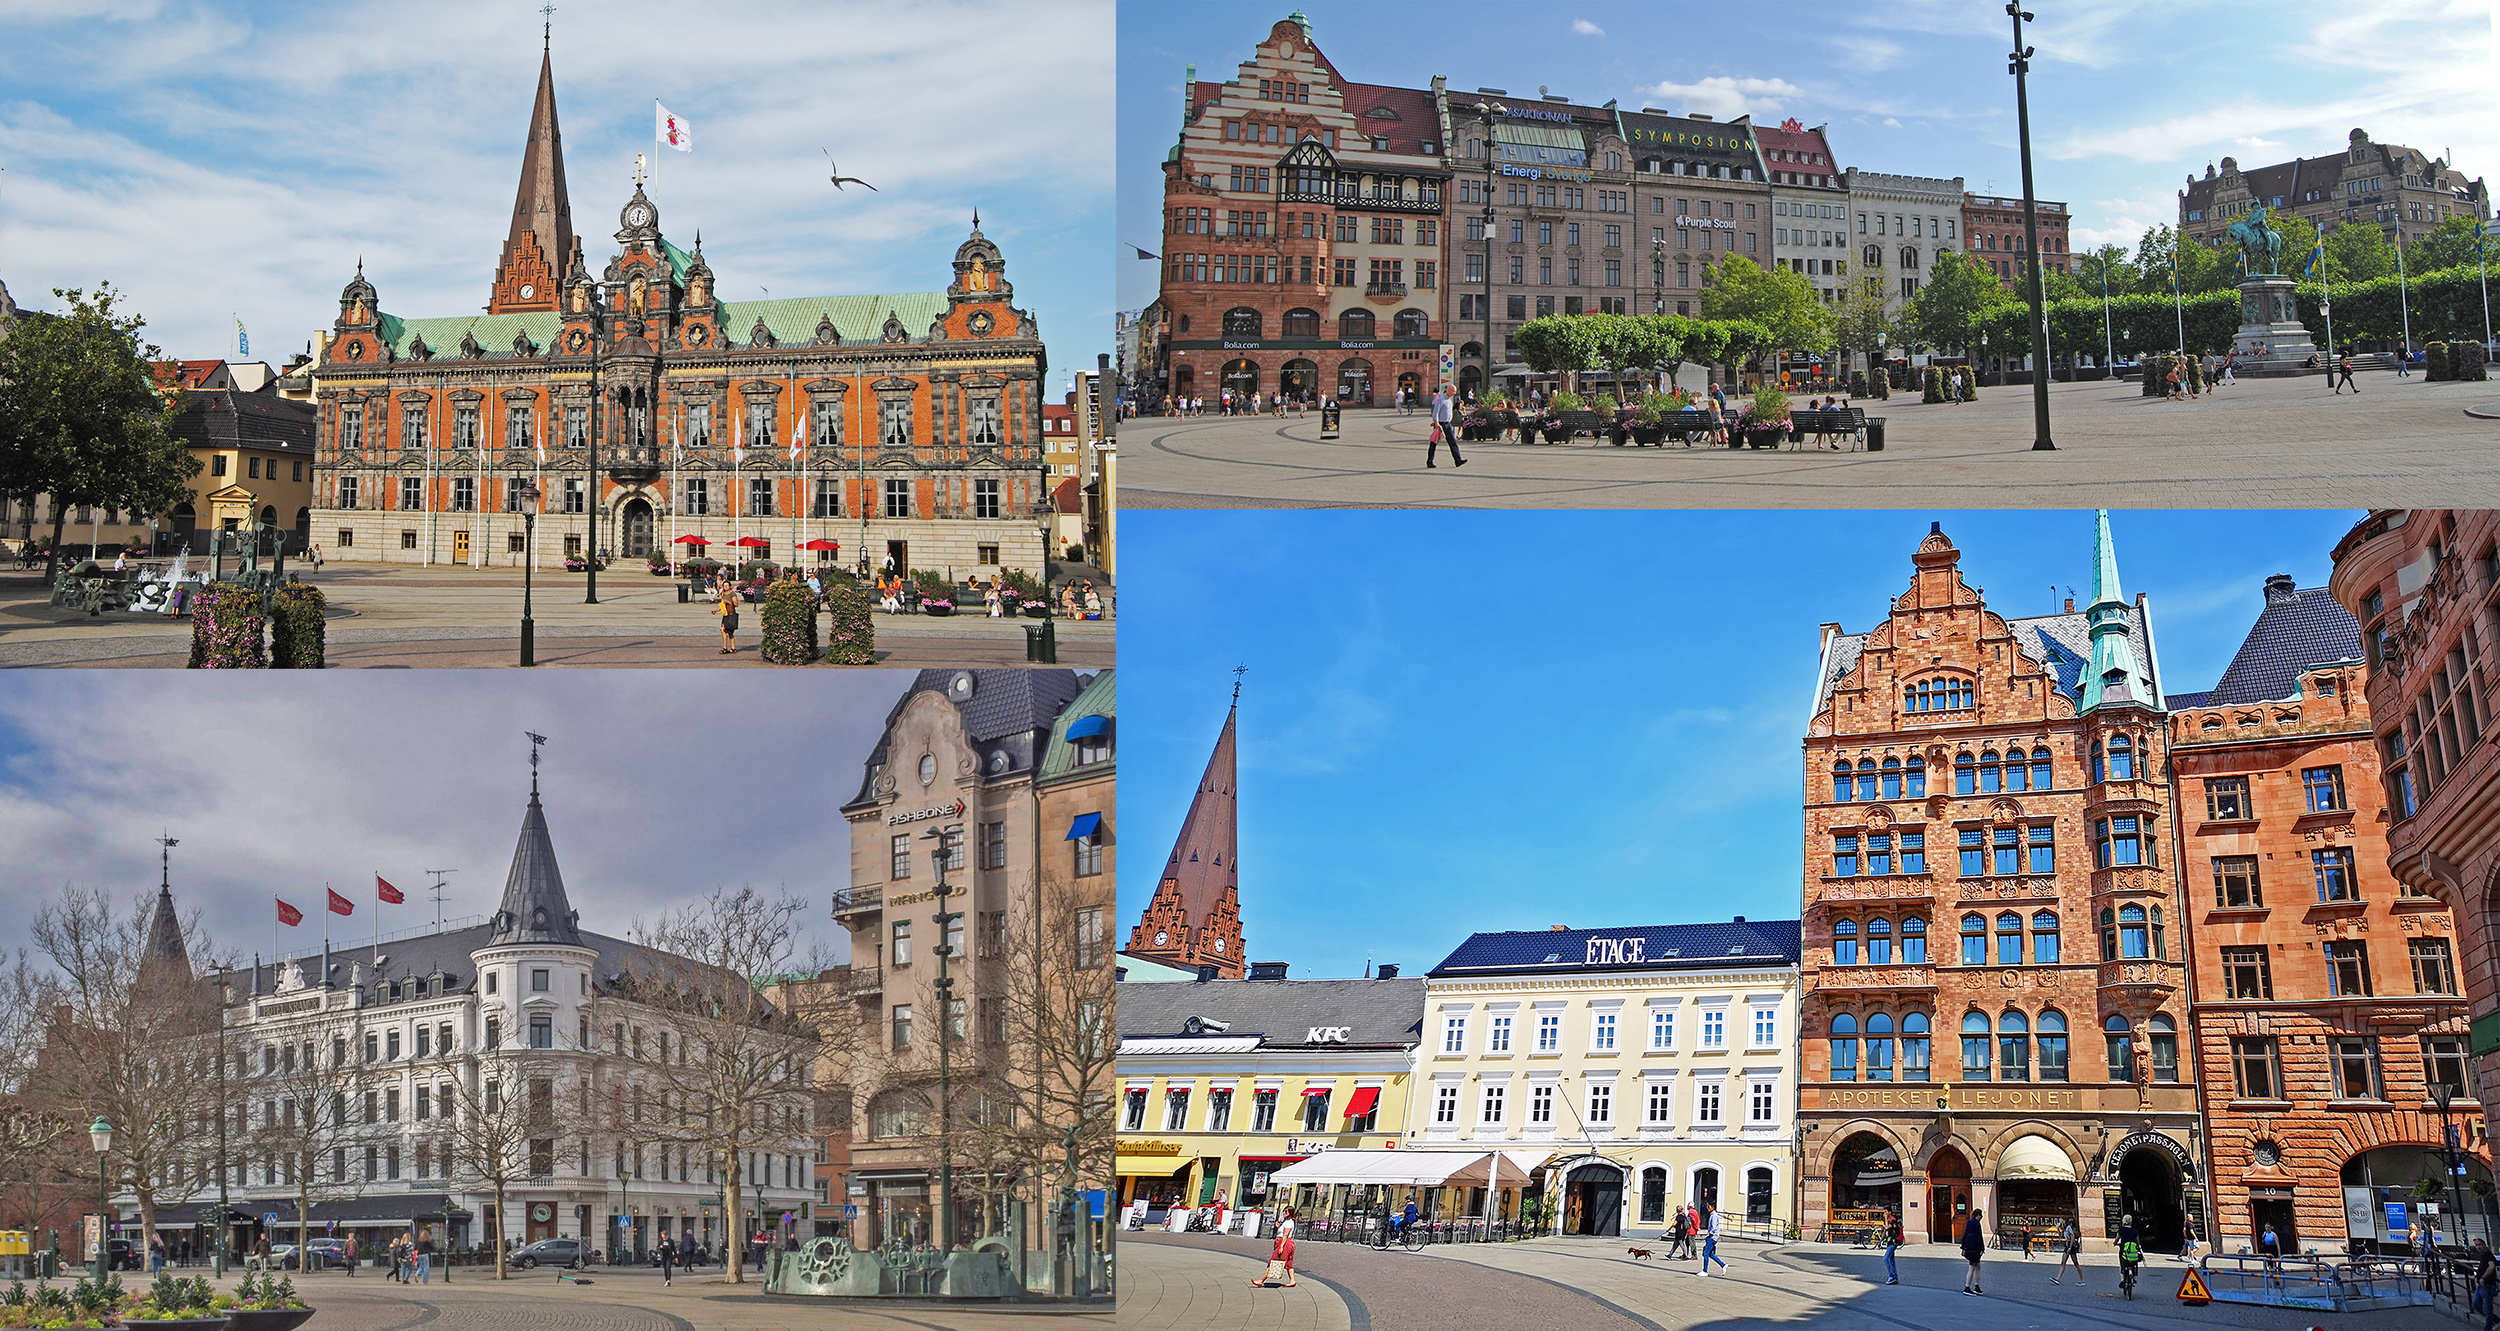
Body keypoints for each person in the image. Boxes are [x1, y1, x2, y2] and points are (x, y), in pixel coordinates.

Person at [1253, 1205, 1298, 1288]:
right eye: (1284, 1211)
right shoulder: (1287, 1221)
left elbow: (1285, 1235)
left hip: (1285, 1243)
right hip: (1286, 1242)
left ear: (1290, 1213)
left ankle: (1261, 1280)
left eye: (1286, 1211)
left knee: (1274, 1261)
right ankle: (1292, 1281)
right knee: (1288, 1263)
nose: (1284, 1213)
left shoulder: (1288, 1222)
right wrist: (1278, 1227)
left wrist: (1281, 1246)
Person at [1428, 386, 1467, 468]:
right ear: (1448, 390)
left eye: (1455, 391)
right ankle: (1429, 461)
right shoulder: (1441, 399)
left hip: (1447, 423)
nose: (1454, 393)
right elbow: (1435, 413)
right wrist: (1436, 423)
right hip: (1440, 424)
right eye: (1453, 391)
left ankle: (1458, 460)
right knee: (1434, 443)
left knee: (1452, 442)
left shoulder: (1449, 400)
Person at [1960, 1208, 1986, 1295]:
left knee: (1977, 1265)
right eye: (1980, 1215)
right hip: (1974, 1248)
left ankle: (1977, 1286)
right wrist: (1982, 1248)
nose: (1981, 1217)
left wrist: (1963, 1247)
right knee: (1972, 1267)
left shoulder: (1969, 1222)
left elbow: (1966, 1235)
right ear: (1977, 1215)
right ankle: (1967, 1287)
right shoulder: (1976, 1223)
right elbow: (1978, 1236)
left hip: (1969, 1248)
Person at [1699, 1202, 1728, 1276]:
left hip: (1712, 1237)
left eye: (1709, 1207)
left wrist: (1710, 1234)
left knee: (1705, 1253)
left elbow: (1714, 1227)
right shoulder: (1713, 1215)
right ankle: (1723, 1265)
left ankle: (1705, 1271)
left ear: (1713, 1208)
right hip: (1713, 1237)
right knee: (1710, 1254)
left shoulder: (1714, 1216)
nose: (1708, 1208)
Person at [2117, 1214, 2142, 1292]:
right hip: (2132, 1252)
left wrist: (2115, 1243)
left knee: (2122, 1264)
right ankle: (2134, 1277)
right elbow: (2137, 1241)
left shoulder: (2121, 1230)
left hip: (2124, 1251)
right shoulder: (2134, 1231)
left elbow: (2116, 1239)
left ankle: (2122, 1279)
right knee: (2134, 1262)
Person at [2054, 1217, 2083, 1284]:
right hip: (2067, 1246)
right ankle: (2058, 1279)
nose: (2062, 1222)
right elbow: (2061, 1236)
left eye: (2063, 1220)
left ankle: (2082, 1280)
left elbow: (2072, 1237)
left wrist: (2070, 1248)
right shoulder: (2065, 1229)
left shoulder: (2069, 1228)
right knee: (2063, 1262)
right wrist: (2058, 1228)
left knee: (2076, 1263)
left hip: (2071, 1246)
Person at [716, 577, 741, 653]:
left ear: (730, 586)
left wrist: (729, 602)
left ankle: (733, 648)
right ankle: (725, 647)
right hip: (725, 614)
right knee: (723, 630)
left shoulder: (732, 594)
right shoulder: (723, 594)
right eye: (724, 586)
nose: (726, 587)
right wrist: (715, 610)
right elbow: (722, 605)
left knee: (730, 632)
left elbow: (736, 604)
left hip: (731, 614)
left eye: (727, 585)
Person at [1883, 1210, 1903, 1286]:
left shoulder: (1893, 1221)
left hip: (1893, 1242)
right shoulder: (1889, 1221)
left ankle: (1892, 1276)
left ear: (1890, 1212)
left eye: (1886, 1212)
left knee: (1886, 1258)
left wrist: (1885, 1219)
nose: (1885, 1213)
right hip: (1889, 1242)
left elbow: (1887, 1227)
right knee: (1892, 1260)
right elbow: (1886, 1230)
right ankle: (1895, 1277)